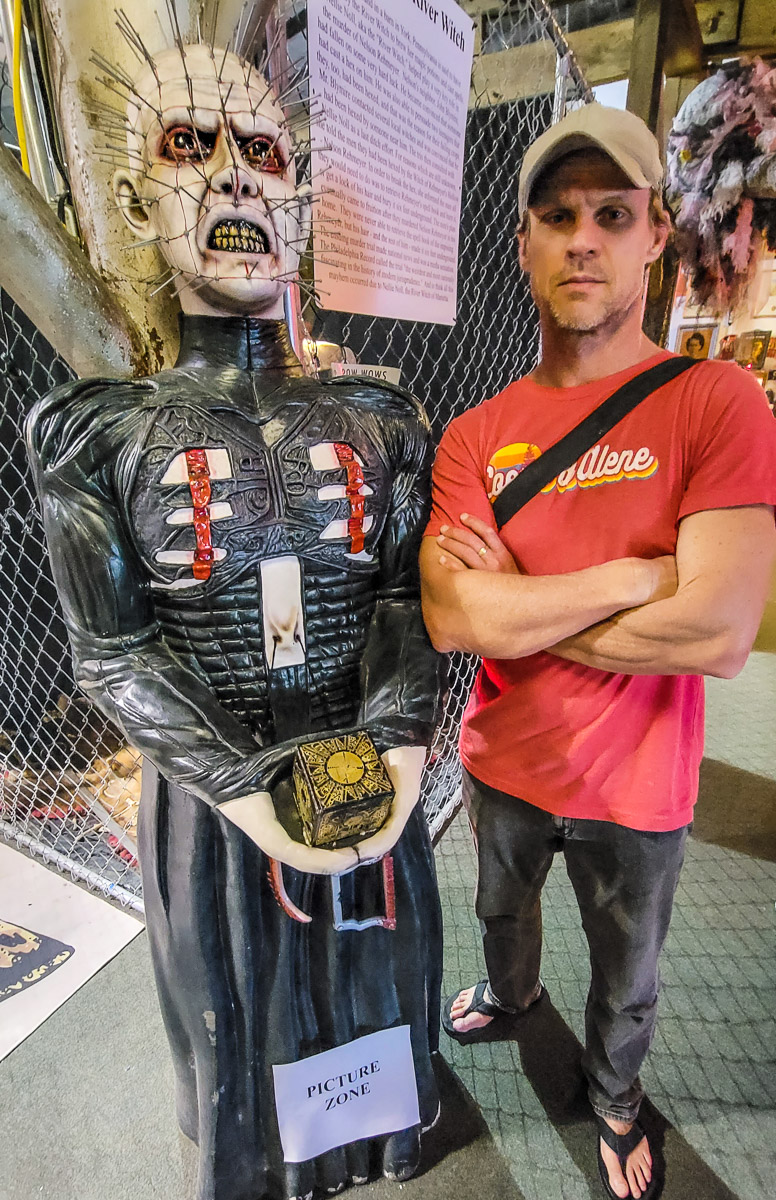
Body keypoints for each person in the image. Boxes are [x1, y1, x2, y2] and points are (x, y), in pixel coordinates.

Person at [26, 43, 443, 1200]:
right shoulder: (92, 434)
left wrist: (400, 749)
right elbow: (110, 650)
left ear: (297, 203)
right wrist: (248, 790)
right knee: (232, 1022)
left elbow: (407, 599)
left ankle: (380, 1143)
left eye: (260, 152)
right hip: (214, 804)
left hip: (374, 775)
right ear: (135, 197)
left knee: (378, 982)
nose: (233, 183)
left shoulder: (381, 415)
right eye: (187, 146)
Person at [420, 103, 776, 1200]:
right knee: (498, 917)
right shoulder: (476, 432)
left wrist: (516, 598)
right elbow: (451, 619)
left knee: (625, 979)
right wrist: (633, 575)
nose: (582, 236)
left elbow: (715, 631)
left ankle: (615, 1102)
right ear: (522, 240)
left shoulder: (711, 400)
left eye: (610, 213)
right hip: (502, 764)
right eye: (556, 214)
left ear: (653, 232)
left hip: (640, 787)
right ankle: (512, 1002)